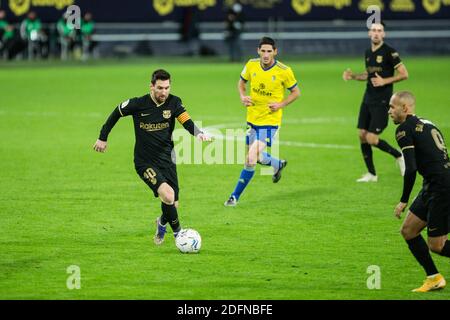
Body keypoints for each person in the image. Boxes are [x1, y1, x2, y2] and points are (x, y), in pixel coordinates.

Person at [93, 69, 211, 245]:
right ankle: (179, 234)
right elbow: (117, 112)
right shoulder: (138, 104)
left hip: (167, 160)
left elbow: (185, 120)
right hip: (145, 161)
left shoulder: (174, 102)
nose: (164, 92)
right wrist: (103, 137)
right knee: (169, 196)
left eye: (167, 88)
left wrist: (198, 133)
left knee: (173, 205)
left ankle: (162, 222)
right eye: (160, 88)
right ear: (151, 87)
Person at [224, 37, 300, 206]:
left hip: (270, 121)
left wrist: (281, 104)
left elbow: (296, 92)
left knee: (250, 158)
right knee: (256, 156)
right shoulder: (251, 64)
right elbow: (241, 83)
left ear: (275, 52)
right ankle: (277, 164)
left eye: (269, 51)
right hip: (252, 119)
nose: (266, 55)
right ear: (258, 50)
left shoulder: (284, 70)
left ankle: (234, 197)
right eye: (263, 51)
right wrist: (243, 97)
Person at [389, 91, 450, 292]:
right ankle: (434, 278)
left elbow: (411, 168)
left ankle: (434, 278)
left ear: (404, 108)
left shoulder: (403, 130)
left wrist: (403, 200)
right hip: (433, 184)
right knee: (408, 231)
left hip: (441, 187)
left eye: (392, 107)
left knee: (437, 245)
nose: (389, 111)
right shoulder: (427, 123)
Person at [343, 22, 408, 182]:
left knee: (371, 138)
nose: (376, 33)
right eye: (373, 30)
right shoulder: (368, 52)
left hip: (382, 101)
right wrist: (352, 76)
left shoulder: (389, 52)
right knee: (361, 135)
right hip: (368, 98)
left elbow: (404, 74)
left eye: (379, 30)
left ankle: (399, 155)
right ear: (369, 34)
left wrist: (385, 81)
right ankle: (371, 174)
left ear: (383, 34)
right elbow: (368, 74)